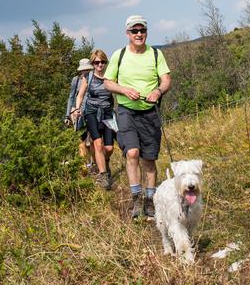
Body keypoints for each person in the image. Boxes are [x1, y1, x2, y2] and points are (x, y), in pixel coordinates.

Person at [104, 15, 171, 219]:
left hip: (150, 112)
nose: (139, 34)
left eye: (142, 30)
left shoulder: (155, 54)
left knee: (149, 159)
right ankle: (136, 200)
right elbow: (108, 82)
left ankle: (150, 202)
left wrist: (158, 92)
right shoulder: (119, 55)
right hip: (126, 111)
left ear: (146, 32)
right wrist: (124, 90)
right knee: (132, 153)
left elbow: (166, 79)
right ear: (128, 33)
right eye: (134, 31)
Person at [75, 50, 116, 190]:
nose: (100, 65)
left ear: (106, 62)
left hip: (108, 112)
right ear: (92, 63)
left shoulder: (111, 75)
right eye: (96, 62)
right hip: (91, 112)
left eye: (102, 62)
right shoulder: (88, 77)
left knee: (109, 148)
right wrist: (76, 109)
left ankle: (105, 161)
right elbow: (80, 95)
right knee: (98, 144)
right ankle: (103, 174)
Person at [66, 58, 95, 173]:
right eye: (84, 70)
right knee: (81, 139)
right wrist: (67, 115)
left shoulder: (94, 78)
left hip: (92, 110)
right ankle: (84, 166)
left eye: (87, 69)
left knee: (93, 139)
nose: (85, 72)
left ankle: (93, 163)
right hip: (78, 112)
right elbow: (71, 97)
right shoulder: (76, 80)